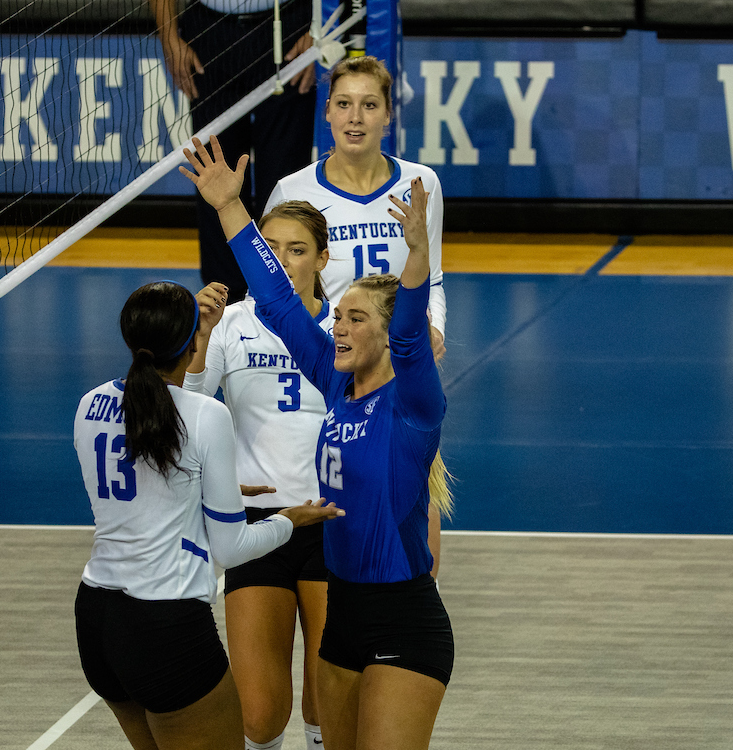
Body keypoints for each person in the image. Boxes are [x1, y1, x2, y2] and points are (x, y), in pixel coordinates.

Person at [182, 134, 454, 750]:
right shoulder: (337, 386)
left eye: (356, 319)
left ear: (386, 336)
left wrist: (416, 259)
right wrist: (230, 209)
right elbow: (277, 301)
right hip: (345, 619)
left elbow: (411, 334)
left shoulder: (415, 403)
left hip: (403, 619)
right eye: (339, 316)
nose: (338, 325)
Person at [72, 280, 343, 750]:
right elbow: (231, 548)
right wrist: (289, 520)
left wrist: (206, 486)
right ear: (196, 338)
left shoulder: (88, 405)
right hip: (166, 625)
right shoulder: (202, 414)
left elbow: (142, 487)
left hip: (96, 619)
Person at [262, 54, 448, 574]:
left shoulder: (421, 184)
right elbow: (280, 288)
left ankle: (411, 606)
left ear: (389, 114)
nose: (356, 117)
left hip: (396, 365)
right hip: (326, 362)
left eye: (369, 105)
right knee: (334, 483)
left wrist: (432, 325)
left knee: (412, 491)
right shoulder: (294, 191)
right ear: (327, 113)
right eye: (344, 104)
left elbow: (431, 274)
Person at [182, 203, 334, 750]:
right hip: (256, 529)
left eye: (298, 250)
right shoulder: (231, 325)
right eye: (270, 248)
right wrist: (199, 342)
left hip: (332, 523)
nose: (283, 261)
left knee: (329, 707)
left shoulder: (346, 322)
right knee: (260, 715)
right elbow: (191, 419)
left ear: (323, 257)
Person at [144, 0, 316, 304]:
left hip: (290, 27)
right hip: (208, 33)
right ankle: (225, 305)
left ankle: (287, 302)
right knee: (214, 176)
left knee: (285, 181)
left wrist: (320, 30)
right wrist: (169, 39)